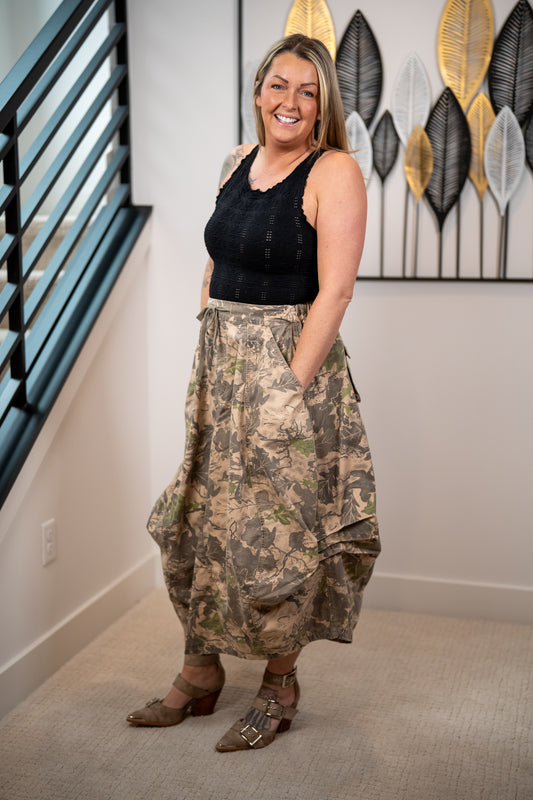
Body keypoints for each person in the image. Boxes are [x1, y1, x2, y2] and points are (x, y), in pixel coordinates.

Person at [127, 33, 380, 751]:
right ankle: (199, 672)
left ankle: (279, 685)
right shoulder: (236, 161)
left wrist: (284, 390)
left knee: (279, 534)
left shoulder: (334, 171)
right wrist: (210, 329)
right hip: (222, 370)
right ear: (259, 91)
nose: (289, 101)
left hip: (287, 373)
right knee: (203, 520)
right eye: (278, 85)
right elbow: (217, 258)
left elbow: (335, 292)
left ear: (323, 104)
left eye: (307, 91)